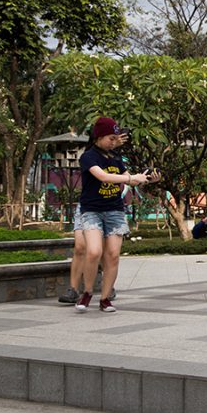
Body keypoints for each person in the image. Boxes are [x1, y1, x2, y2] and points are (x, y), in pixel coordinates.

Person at [75, 117, 150, 313]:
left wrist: (145, 179)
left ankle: (105, 298)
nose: (114, 141)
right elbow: (103, 176)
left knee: (113, 256)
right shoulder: (88, 157)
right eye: (111, 138)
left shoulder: (116, 158)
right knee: (93, 252)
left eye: (116, 138)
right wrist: (130, 178)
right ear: (99, 137)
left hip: (115, 210)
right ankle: (88, 292)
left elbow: (129, 180)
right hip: (92, 210)